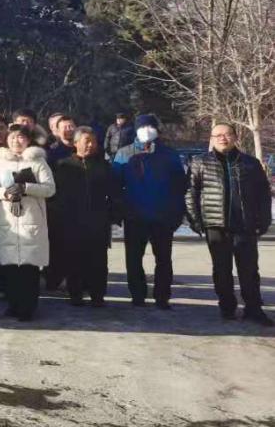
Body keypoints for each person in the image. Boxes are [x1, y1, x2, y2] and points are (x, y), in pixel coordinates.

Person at [185, 123, 273, 325]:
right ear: (211, 138)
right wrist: (195, 220)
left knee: (249, 271)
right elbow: (190, 193)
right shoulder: (200, 162)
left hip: (245, 225)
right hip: (215, 225)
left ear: (235, 137)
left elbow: (263, 194)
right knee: (222, 270)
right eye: (218, 135)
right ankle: (227, 307)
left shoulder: (250, 163)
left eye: (227, 134)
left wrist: (264, 220)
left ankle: (253, 308)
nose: (222, 138)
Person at [112, 114, 186, 309]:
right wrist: (121, 211)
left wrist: (177, 213)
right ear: (136, 130)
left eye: (150, 126)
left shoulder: (169, 155)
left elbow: (180, 185)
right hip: (134, 216)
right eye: (142, 127)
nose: (146, 130)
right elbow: (115, 185)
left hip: (162, 216)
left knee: (163, 259)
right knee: (133, 259)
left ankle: (162, 296)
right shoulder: (124, 153)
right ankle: (138, 295)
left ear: (157, 130)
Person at [0, 124, 56, 321]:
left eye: (20, 137)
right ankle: (13, 305)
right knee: (10, 267)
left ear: (28, 140)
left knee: (28, 267)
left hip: (31, 219)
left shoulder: (38, 161)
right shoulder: (0, 162)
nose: (16, 141)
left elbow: (50, 189)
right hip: (8, 219)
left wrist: (26, 187)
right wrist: (5, 193)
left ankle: (28, 308)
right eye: (12, 137)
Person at [51, 127, 121, 307]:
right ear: (76, 143)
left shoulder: (103, 166)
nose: (90, 145)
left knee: (98, 261)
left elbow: (114, 193)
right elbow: (56, 195)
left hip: (98, 221)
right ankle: (75, 294)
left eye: (93, 141)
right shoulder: (63, 166)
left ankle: (98, 295)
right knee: (73, 259)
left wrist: (111, 214)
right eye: (86, 141)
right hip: (71, 221)